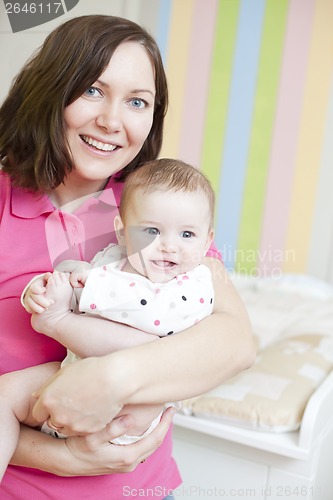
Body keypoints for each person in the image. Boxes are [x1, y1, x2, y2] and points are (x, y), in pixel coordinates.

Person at [0, 14, 255, 500]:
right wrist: (63, 458)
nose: (112, 121)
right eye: (93, 90)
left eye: (137, 102)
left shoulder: (156, 213)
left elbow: (235, 342)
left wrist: (112, 375)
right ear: (51, 90)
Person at [0, 158, 215, 480]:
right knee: (5, 393)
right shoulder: (113, 259)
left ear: (207, 242)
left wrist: (76, 301)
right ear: (122, 233)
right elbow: (81, 288)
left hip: (130, 404)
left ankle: (57, 323)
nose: (170, 245)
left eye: (187, 234)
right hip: (67, 380)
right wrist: (47, 288)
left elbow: (154, 323)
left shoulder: (193, 282)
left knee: (145, 346)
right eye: (152, 231)